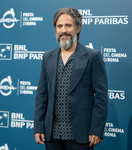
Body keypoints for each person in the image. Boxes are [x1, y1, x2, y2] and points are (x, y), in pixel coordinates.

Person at [34, 8, 108, 150]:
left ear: (78, 28)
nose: (63, 30)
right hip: (52, 136)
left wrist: (96, 130)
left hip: (81, 135)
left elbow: (101, 97)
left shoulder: (93, 57)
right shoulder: (47, 57)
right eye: (59, 26)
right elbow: (41, 95)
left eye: (68, 25)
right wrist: (38, 126)